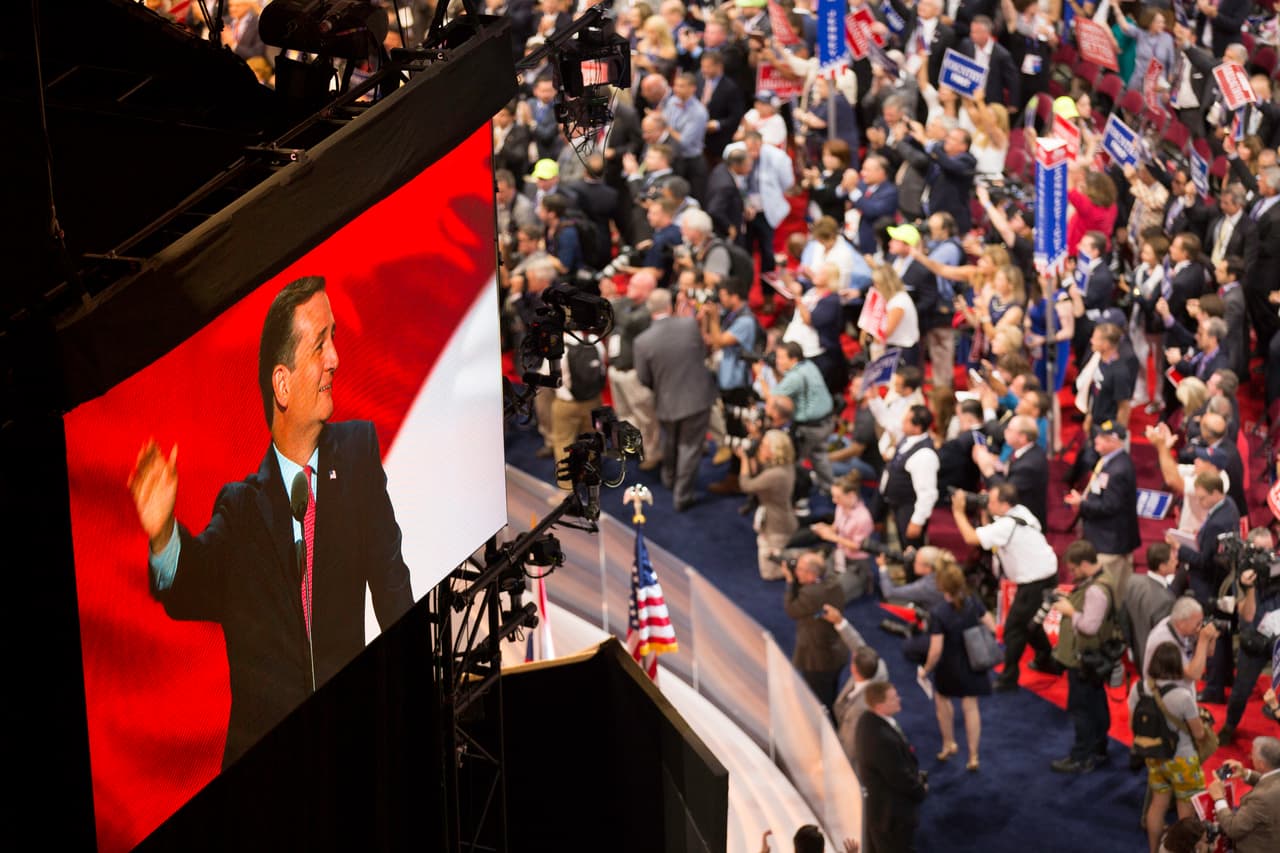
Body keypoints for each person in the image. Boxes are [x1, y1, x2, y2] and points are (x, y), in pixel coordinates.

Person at [128, 276, 414, 767]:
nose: (335, 360)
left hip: (353, 742)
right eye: (320, 344)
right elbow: (190, 584)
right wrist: (162, 534)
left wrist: (411, 699)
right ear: (283, 383)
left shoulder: (358, 452)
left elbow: (392, 587)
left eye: (334, 340)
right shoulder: (241, 508)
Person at [952, 483, 1059, 690]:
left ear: (1004, 505)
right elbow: (989, 533)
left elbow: (971, 537)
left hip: (1035, 581)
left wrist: (958, 512)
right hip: (1046, 575)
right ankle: (1047, 661)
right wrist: (986, 511)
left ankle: (1009, 678)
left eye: (991, 501)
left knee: (1014, 629)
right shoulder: (1020, 512)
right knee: (1031, 623)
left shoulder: (1005, 525)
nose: (987, 503)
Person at [633, 288, 719, 512]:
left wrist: (662, 388)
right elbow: (702, 354)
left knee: (670, 441)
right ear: (669, 306)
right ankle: (682, 495)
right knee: (689, 447)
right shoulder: (689, 325)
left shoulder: (642, 341)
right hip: (696, 399)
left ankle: (669, 480)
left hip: (666, 401)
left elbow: (643, 378)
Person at [1050, 540, 1125, 774]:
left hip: (1085, 658)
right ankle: (1099, 748)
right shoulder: (1104, 579)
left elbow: (1089, 626)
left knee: (1082, 707)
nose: (1072, 574)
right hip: (1095, 656)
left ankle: (1082, 757)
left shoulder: (1095, 591)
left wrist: (1070, 611)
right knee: (1096, 703)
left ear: (1084, 564)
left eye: (1073, 569)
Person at [919, 560, 996, 772]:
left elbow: (935, 651)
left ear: (942, 586)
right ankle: (973, 757)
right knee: (971, 708)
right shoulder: (973, 602)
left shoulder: (939, 613)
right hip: (974, 663)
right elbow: (992, 626)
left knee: (942, 701)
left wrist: (926, 670)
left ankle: (949, 744)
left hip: (949, 666)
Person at [1132, 642, 1210, 853]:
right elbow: (1199, 733)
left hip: (1154, 756)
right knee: (1186, 811)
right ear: (1177, 664)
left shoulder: (1138, 688)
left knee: (1157, 805)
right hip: (1183, 760)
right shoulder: (1183, 696)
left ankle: (1153, 849)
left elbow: (1135, 721)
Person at [1065, 420, 1140, 597]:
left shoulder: (1118, 469)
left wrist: (1081, 504)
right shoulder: (1111, 461)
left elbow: (1110, 506)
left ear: (1115, 442)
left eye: (1103, 437)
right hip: (1107, 537)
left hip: (1110, 543)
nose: (1096, 439)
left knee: (1109, 592)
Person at [855, 681, 928, 853]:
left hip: (880, 811)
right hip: (890, 817)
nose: (899, 700)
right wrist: (921, 790)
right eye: (894, 698)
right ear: (880, 705)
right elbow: (899, 777)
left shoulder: (866, 719)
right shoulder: (883, 740)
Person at [761, 342, 836, 494]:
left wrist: (761, 378)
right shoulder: (809, 365)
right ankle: (829, 488)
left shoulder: (796, 377)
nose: (778, 361)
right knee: (819, 456)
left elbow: (773, 401)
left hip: (809, 428)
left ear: (793, 359)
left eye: (781, 358)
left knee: (791, 461)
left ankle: (797, 495)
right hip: (826, 422)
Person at [782, 552, 848, 714]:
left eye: (800, 570)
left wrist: (790, 582)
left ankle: (826, 731)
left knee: (819, 701)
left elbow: (791, 610)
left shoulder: (811, 594)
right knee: (831, 694)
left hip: (818, 659)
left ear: (811, 574)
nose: (796, 573)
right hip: (837, 651)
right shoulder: (834, 583)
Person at [740, 430, 799, 581]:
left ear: (774, 451)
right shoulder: (784, 465)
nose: (760, 448)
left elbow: (746, 485)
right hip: (775, 519)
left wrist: (744, 460)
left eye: (764, 446)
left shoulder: (776, 475)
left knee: (769, 573)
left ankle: (803, 560)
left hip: (779, 527)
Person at [880, 405, 939, 551]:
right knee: (903, 547)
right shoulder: (907, 439)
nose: (902, 423)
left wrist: (917, 521)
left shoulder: (924, 455)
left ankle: (914, 574)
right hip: (899, 506)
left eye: (906, 421)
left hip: (910, 509)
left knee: (912, 550)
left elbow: (927, 493)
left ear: (917, 427)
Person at [1208, 736, 1280, 852]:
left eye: (1253, 755)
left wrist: (1219, 798)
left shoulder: (1260, 799)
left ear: (1261, 764)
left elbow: (1233, 828)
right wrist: (1245, 774)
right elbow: (1271, 783)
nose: (1250, 757)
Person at [1124, 543, 1179, 670]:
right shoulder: (1165, 599)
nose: (1177, 562)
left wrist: (1130, 646)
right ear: (1162, 566)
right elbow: (1164, 639)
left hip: (1137, 652)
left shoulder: (1132, 581)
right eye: (1173, 560)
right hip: (1155, 663)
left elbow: (1123, 616)